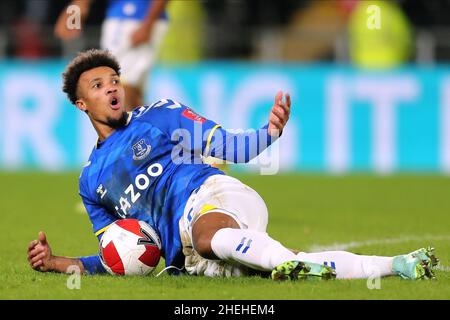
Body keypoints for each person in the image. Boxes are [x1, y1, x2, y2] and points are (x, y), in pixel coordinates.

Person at [27, 49, 438, 281]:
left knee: (209, 234)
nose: (112, 87)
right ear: (82, 104)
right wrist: (58, 261)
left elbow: (231, 147)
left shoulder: (160, 115)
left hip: (215, 196)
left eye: (113, 79)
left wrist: (269, 133)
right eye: (97, 86)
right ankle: (398, 265)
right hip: (187, 258)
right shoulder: (90, 182)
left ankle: (283, 262)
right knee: (270, 266)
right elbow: (114, 253)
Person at [54, 0, 169, 110]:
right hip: (126, 19)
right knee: (132, 92)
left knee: (119, 87)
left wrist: (147, 25)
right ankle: (144, 129)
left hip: (132, 18)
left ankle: (130, 130)